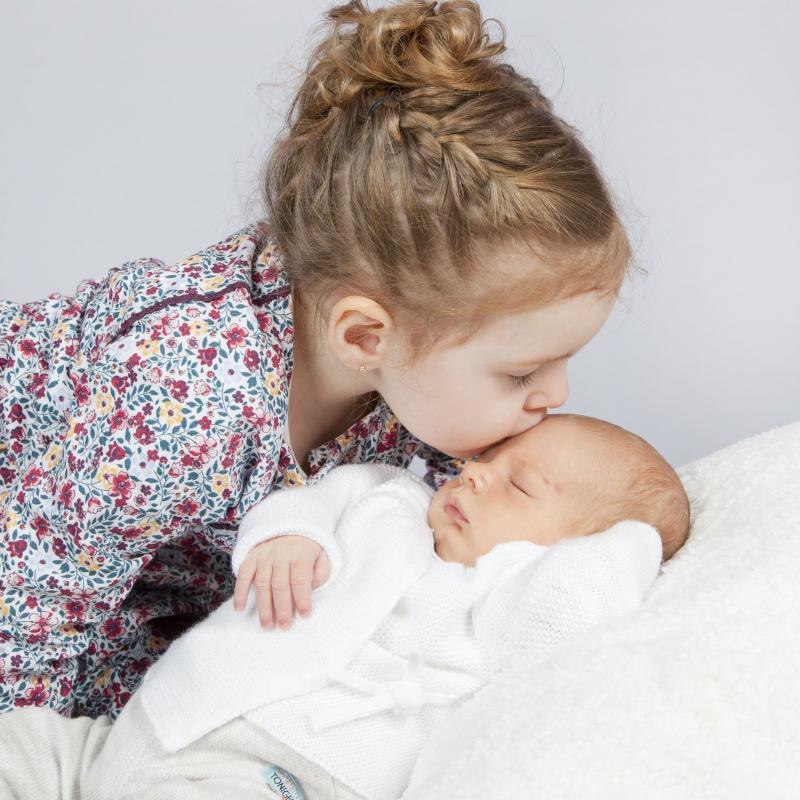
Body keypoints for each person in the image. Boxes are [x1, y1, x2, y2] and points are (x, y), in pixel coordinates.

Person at [1, 0, 636, 719]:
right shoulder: (190, 391)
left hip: (131, 579)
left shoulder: (405, 383)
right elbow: (29, 606)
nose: (555, 393)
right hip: (30, 559)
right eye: (521, 372)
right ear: (366, 337)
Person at [0, 413, 690, 800]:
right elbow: (316, 499)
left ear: (576, 547)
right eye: (491, 457)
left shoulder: (507, 601)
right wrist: (291, 535)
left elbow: (578, 601)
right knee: (19, 743)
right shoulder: (394, 499)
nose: (477, 473)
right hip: (140, 729)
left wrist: (632, 538)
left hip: (272, 774)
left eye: (520, 485)